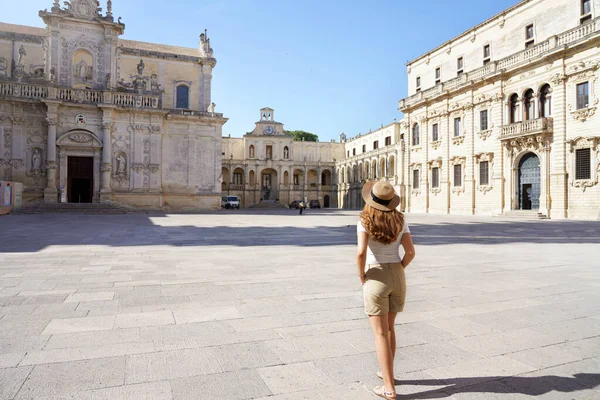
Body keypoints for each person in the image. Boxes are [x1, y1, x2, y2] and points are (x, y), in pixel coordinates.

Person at [357, 180, 415, 399]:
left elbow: (361, 253)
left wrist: (361, 274)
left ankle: (389, 388)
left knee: (380, 333)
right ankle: (386, 371)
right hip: (398, 275)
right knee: (390, 329)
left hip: (376, 274)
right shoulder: (401, 220)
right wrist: (399, 268)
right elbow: (410, 252)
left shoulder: (365, 219)